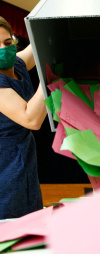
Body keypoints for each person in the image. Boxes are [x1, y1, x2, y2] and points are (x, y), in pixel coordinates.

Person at [0, 16, 47, 219]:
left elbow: (39, 45)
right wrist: (52, 75)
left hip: (25, 156)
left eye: (7, 43)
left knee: (31, 215)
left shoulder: (17, 65)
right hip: (5, 164)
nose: (3, 49)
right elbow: (32, 119)